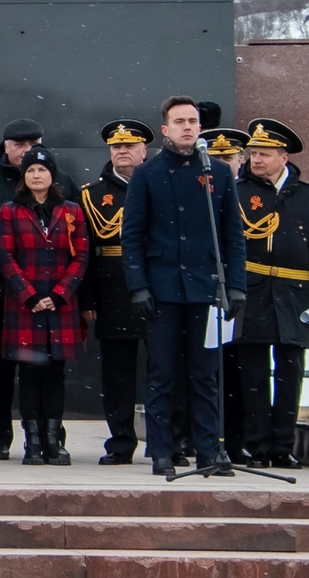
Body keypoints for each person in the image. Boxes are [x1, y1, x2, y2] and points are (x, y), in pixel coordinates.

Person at [122, 96, 247, 476]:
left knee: (205, 374)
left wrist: (236, 286)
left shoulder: (219, 174)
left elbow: (233, 236)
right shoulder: (147, 173)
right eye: (179, 121)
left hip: (207, 288)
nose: (188, 127)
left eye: (193, 121)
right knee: (162, 374)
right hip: (162, 289)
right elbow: (133, 237)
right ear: (165, 129)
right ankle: (162, 451)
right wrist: (138, 287)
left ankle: (210, 451)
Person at [235, 119, 309, 468]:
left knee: (290, 370)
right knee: (252, 373)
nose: (256, 160)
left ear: (283, 156)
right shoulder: (238, 191)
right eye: (253, 153)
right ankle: (257, 446)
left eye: (264, 154)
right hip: (251, 292)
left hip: (293, 294)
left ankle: (283, 445)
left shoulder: (307, 195)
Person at [0, 118, 73, 459]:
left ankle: (51, 437)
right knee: (0, 374)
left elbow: (79, 249)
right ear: (5, 147)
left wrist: (63, 294)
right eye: (18, 144)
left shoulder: (64, 185)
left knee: (47, 369)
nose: (26, 151)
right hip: (6, 293)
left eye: (33, 143)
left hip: (52, 297)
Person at [0, 145, 86, 465]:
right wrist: (28, 294)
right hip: (25, 304)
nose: (36, 175)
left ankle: (53, 439)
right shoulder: (10, 210)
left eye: (42, 170)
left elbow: (81, 257)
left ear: (52, 175)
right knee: (31, 373)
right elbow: (5, 256)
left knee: (55, 374)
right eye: (31, 170)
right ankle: (33, 442)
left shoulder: (71, 210)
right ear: (24, 175)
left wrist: (61, 293)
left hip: (61, 304)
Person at [78, 119, 154, 465]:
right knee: (118, 373)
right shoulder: (91, 195)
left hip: (156, 288)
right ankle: (121, 442)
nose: (122, 151)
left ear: (144, 151)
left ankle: (164, 442)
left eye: (129, 145)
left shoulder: (159, 185)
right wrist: (88, 298)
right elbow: (85, 253)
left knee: (163, 370)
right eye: (115, 146)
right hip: (112, 291)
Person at [201, 124, 247, 460]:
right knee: (205, 370)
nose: (223, 162)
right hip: (205, 288)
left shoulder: (247, 191)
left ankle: (235, 441)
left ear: (240, 160)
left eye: (228, 156)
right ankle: (202, 439)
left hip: (239, 289)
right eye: (217, 157)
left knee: (238, 371)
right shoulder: (204, 189)